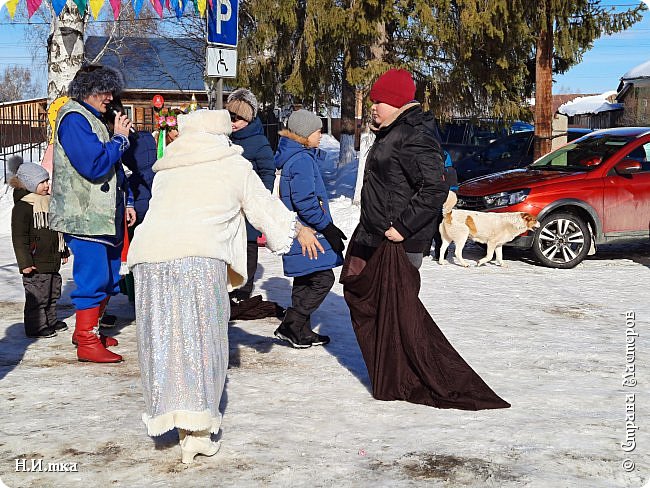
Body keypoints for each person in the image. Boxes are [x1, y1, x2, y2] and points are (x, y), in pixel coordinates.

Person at [127, 109, 324, 464]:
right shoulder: (231, 164)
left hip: (149, 261)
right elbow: (265, 208)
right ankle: (197, 434)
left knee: (164, 342)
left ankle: (175, 418)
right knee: (203, 341)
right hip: (199, 258)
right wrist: (298, 230)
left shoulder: (168, 169)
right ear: (220, 135)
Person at [340, 68, 510, 410]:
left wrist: (402, 226)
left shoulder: (414, 135)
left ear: (400, 103)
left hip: (399, 241)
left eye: (381, 101)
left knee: (399, 312)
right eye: (374, 100)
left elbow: (434, 188)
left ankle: (409, 375)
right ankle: (392, 369)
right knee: (368, 297)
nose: (374, 107)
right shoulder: (391, 133)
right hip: (375, 234)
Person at [49, 64, 136, 363]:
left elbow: (113, 172)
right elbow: (94, 165)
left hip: (104, 216)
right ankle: (86, 341)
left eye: (111, 90)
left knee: (110, 276)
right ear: (87, 90)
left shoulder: (95, 119)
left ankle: (90, 330)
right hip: (85, 216)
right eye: (104, 90)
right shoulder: (74, 119)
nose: (109, 97)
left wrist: (126, 203)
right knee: (93, 277)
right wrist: (120, 139)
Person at [273, 109, 346, 348]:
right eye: (318, 131)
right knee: (323, 278)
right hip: (306, 231)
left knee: (305, 278)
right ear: (304, 135)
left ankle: (301, 332)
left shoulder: (296, 157)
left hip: (298, 231)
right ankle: (292, 323)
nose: (321, 135)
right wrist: (328, 227)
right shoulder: (302, 160)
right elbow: (305, 202)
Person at [224, 88, 276, 304]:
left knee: (248, 247)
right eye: (231, 117)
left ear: (249, 117)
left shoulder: (259, 142)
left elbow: (267, 172)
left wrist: (259, 198)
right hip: (226, 205)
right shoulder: (224, 138)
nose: (234, 122)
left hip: (247, 205)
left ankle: (244, 290)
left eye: (239, 118)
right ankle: (227, 287)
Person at [10, 162, 69, 338]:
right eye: (42, 182)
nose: (46, 185)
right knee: (37, 295)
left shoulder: (49, 203)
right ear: (29, 184)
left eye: (47, 181)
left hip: (51, 258)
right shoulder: (23, 207)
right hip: (35, 261)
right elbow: (19, 238)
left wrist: (63, 250)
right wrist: (25, 262)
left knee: (52, 293)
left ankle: (50, 321)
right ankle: (35, 326)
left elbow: (57, 230)